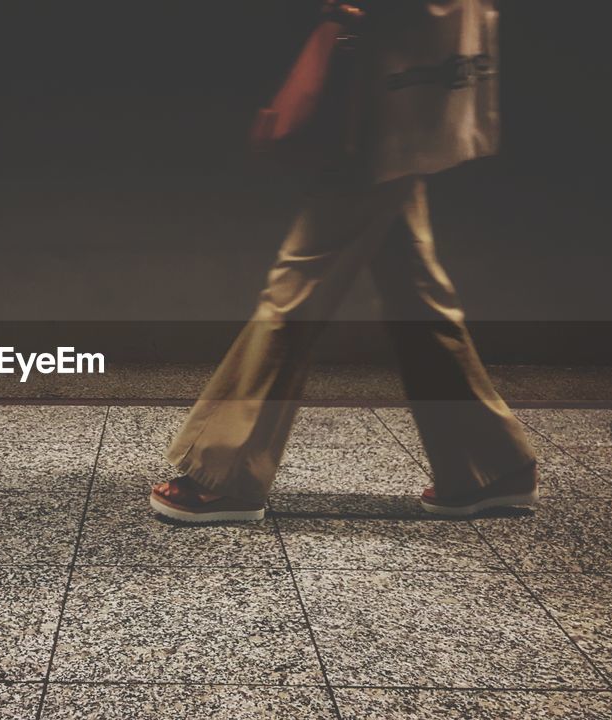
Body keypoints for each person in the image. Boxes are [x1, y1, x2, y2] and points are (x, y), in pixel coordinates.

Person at [149, 0, 538, 522]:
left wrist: (337, 19)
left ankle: (224, 472)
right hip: (402, 91)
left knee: (298, 289)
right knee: (415, 293)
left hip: (380, 96)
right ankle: (492, 467)